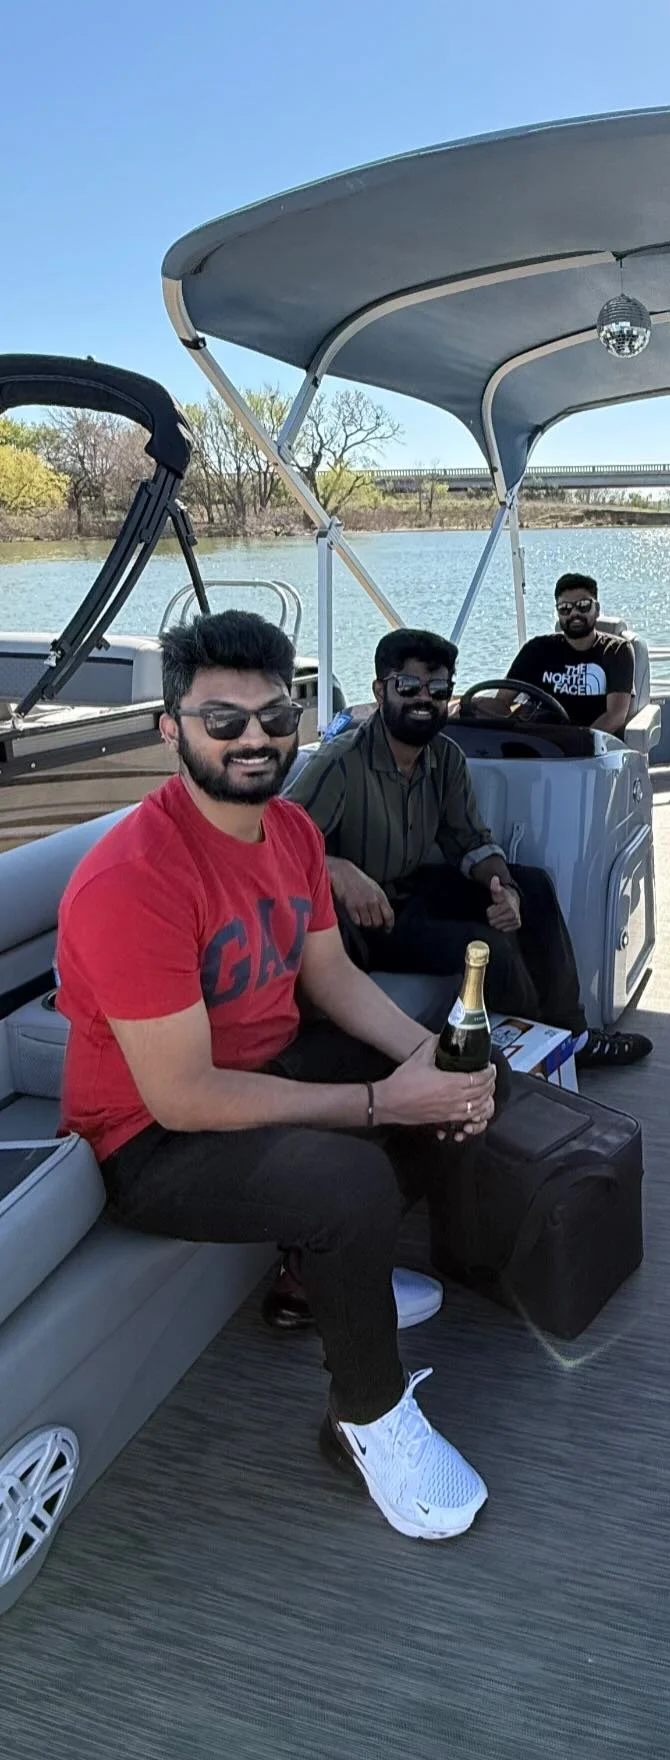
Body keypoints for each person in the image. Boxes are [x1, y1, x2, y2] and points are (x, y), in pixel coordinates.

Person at [57, 610, 497, 1541]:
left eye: (274, 716)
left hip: (259, 1070)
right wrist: (381, 1100)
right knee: (350, 1179)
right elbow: (183, 1095)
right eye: (222, 720)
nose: (253, 738)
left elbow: (330, 976)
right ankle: (365, 1418)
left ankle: (317, 1280)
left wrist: (427, 1060)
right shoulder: (135, 878)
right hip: (149, 1140)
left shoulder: (291, 831)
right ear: (170, 729)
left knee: (441, 1081)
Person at [286, 628, 652, 1068]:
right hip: (364, 923)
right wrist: (337, 869)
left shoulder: (446, 757)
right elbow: (274, 844)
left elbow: (471, 841)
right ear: (380, 691)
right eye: (409, 686)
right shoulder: (340, 763)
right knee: (487, 948)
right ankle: (543, 1055)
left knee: (533, 887)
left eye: (439, 689)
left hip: (412, 889)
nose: (424, 700)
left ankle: (573, 1036)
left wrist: (504, 889)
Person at [506, 573, 634, 733]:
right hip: (538, 740)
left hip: (592, 743)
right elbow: (501, 700)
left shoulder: (617, 651)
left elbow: (615, 716)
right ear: (558, 613)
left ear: (597, 610)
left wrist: (580, 743)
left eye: (583, 605)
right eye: (565, 608)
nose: (574, 614)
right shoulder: (536, 649)